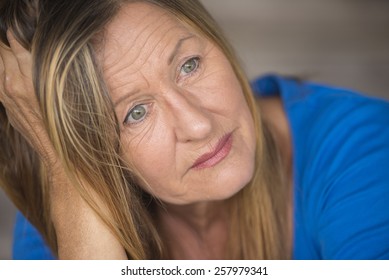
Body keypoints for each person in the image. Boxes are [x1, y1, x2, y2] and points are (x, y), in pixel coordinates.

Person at [0, 0, 388, 260]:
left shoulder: (361, 150)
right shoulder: (67, 216)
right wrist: (66, 169)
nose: (198, 124)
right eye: (135, 113)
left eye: (189, 65)